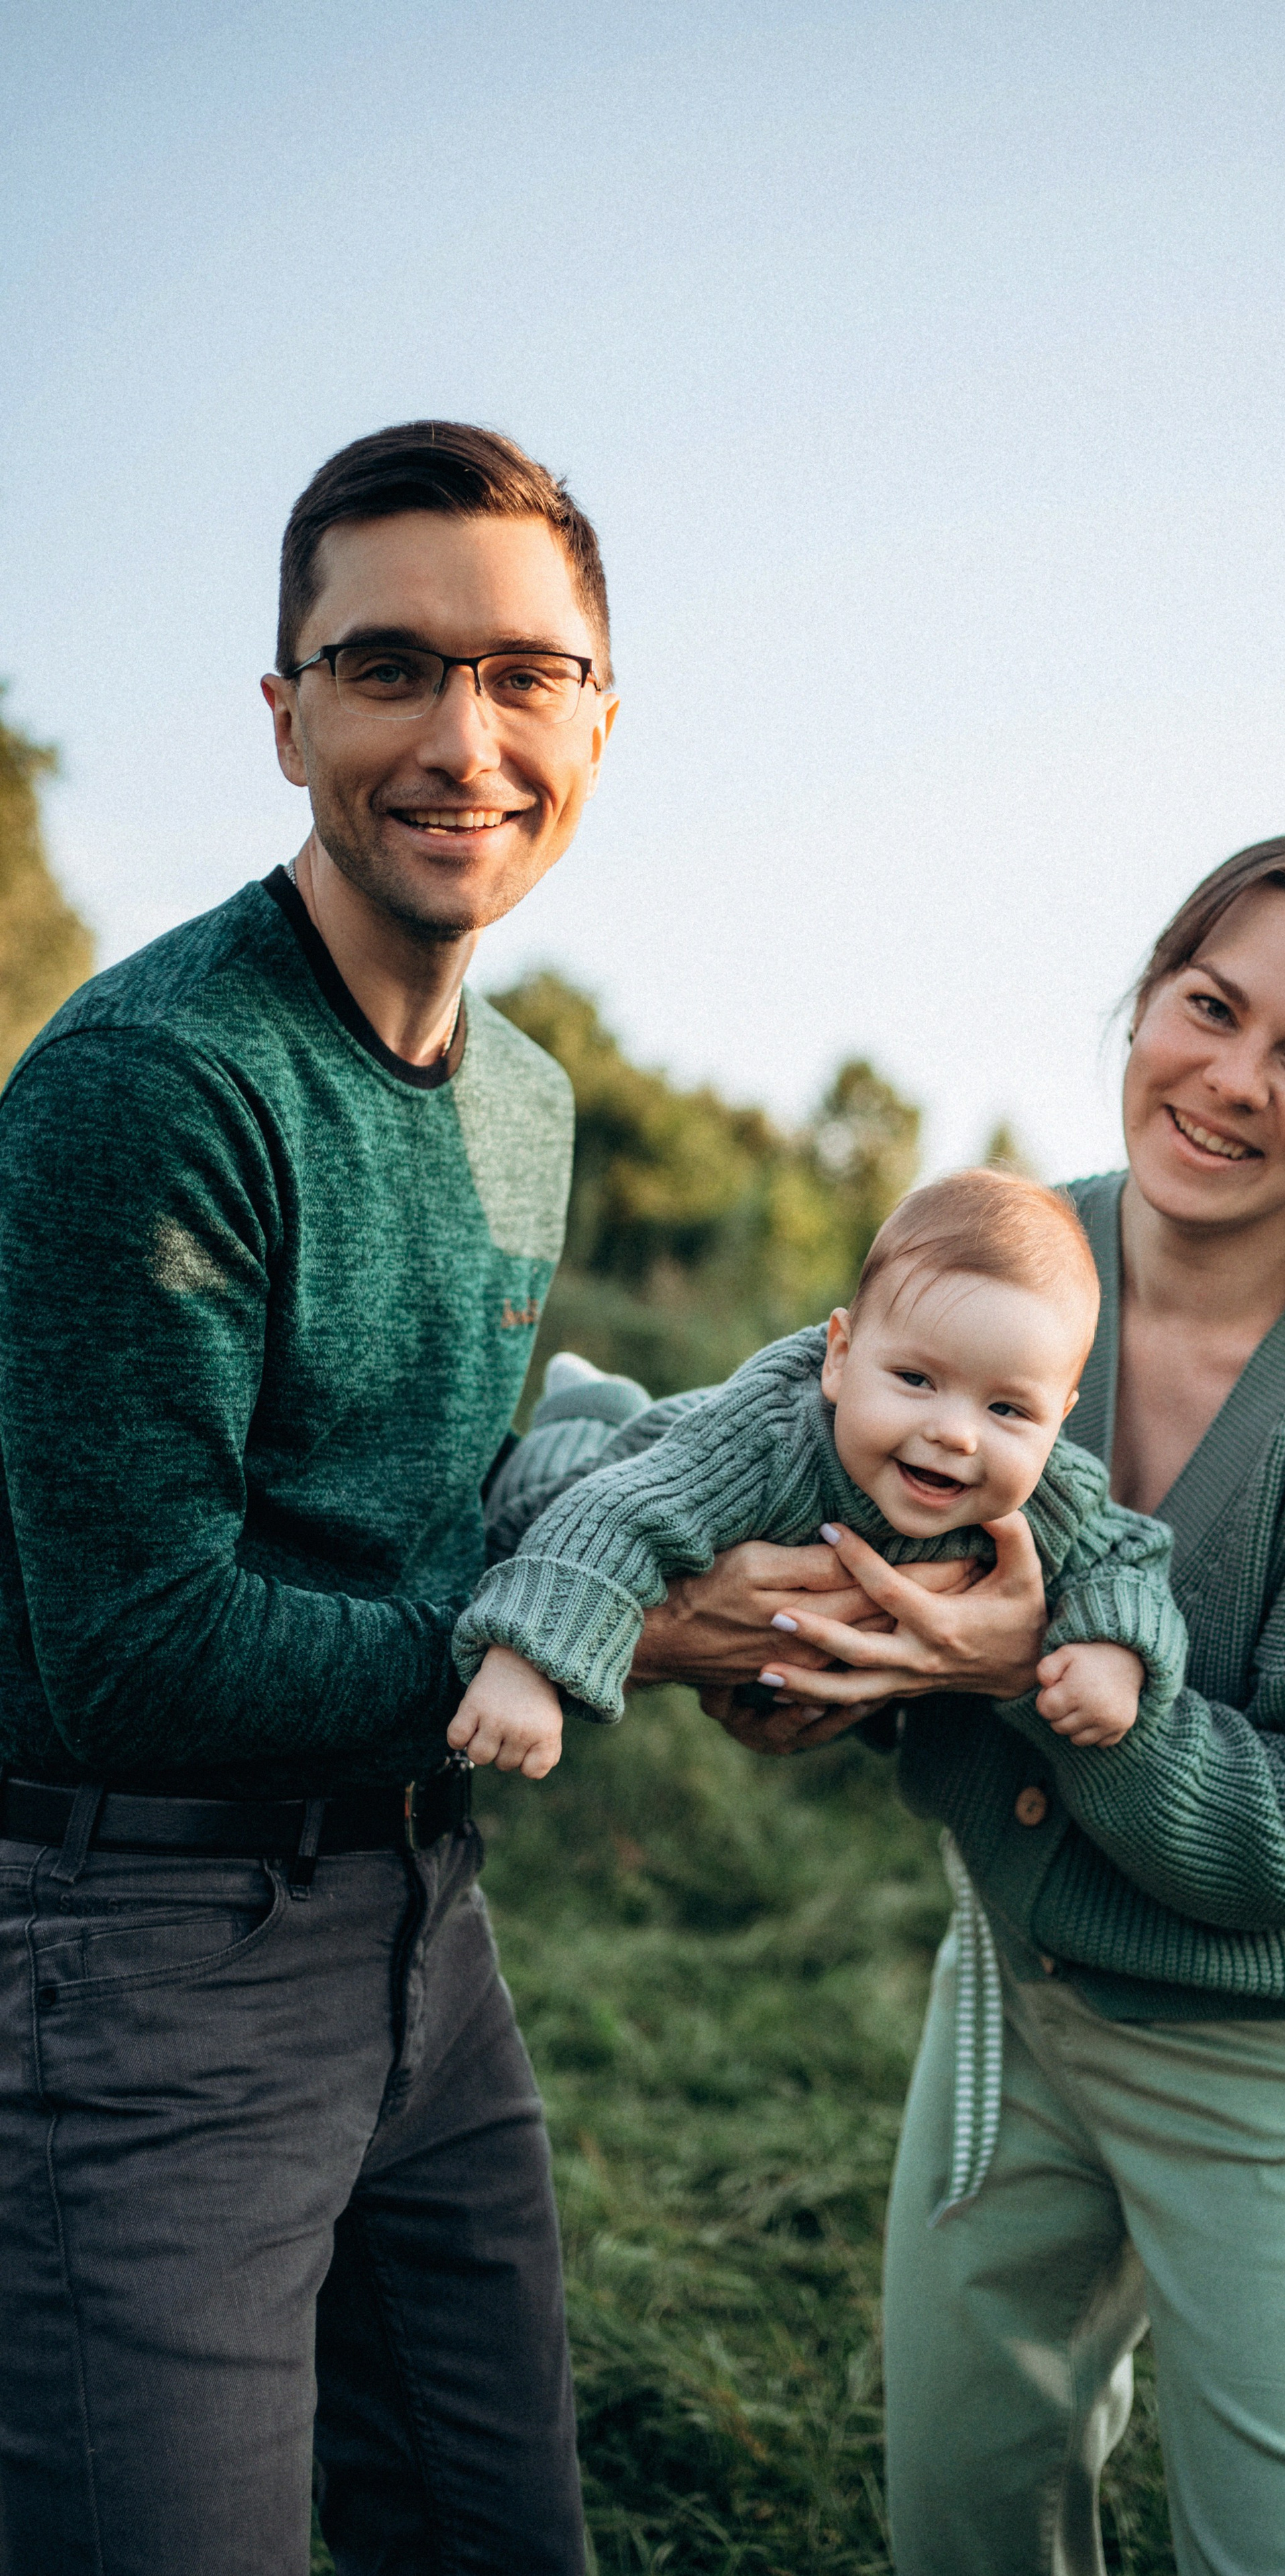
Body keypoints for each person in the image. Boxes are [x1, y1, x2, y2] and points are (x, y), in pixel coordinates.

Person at [618, 833, 1285, 2576]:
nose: (1230, 1082)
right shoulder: (1025, 1259)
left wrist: (1039, 1691)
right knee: (966, 2520)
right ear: (1144, 997)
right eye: (1208, 1008)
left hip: (1280, 2060)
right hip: (1015, 1998)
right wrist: (815, 1680)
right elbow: (865, 1531)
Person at [0, 421, 618, 2576]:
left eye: (525, 672)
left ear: (598, 718)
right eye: (389, 668)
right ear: (286, 720)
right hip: (145, 1945)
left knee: (494, 2529)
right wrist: (572, 1643)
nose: (465, 736)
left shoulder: (530, 1105)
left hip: (428, 1928)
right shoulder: (150, 1083)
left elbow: (437, 1518)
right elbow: (144, 1641)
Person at [445, 1169, 1188, 1786]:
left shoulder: (1050, 1489)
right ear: (839, 1356)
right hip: (636, 1462)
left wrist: (1114, 1649)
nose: (956, 1433)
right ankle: (587, 1404)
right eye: (916, 1379)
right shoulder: (766, 1442)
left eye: (1007, 1408)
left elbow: (1126, 1553)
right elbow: (610, 1514)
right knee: (519, 1512)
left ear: (1059, 1419)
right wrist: (526, 1663)